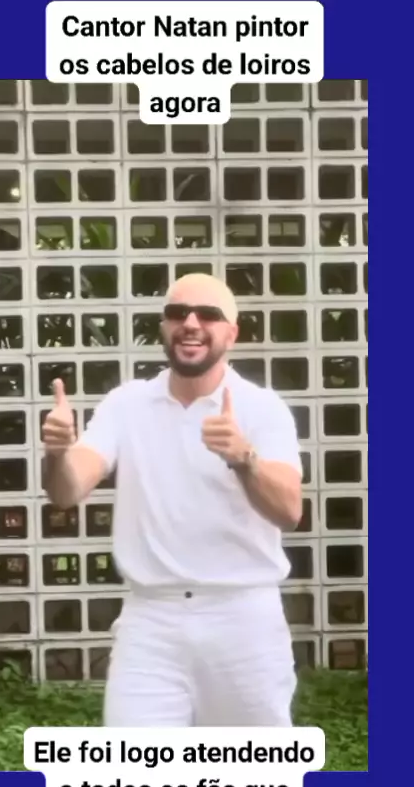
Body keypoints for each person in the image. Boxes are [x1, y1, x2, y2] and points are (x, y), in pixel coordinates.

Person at [42, 274, 303, 727]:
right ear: (164, 327)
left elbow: (290, 511)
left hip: (243, 618)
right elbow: (67, 491)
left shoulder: (262, 407)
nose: (191, 324)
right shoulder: (126, 404)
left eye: (208, 314)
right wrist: (57, 454)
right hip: (151, 620)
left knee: (253, 768)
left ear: (232, 333)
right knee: (136, 765)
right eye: (178, 313)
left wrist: (244, 459)